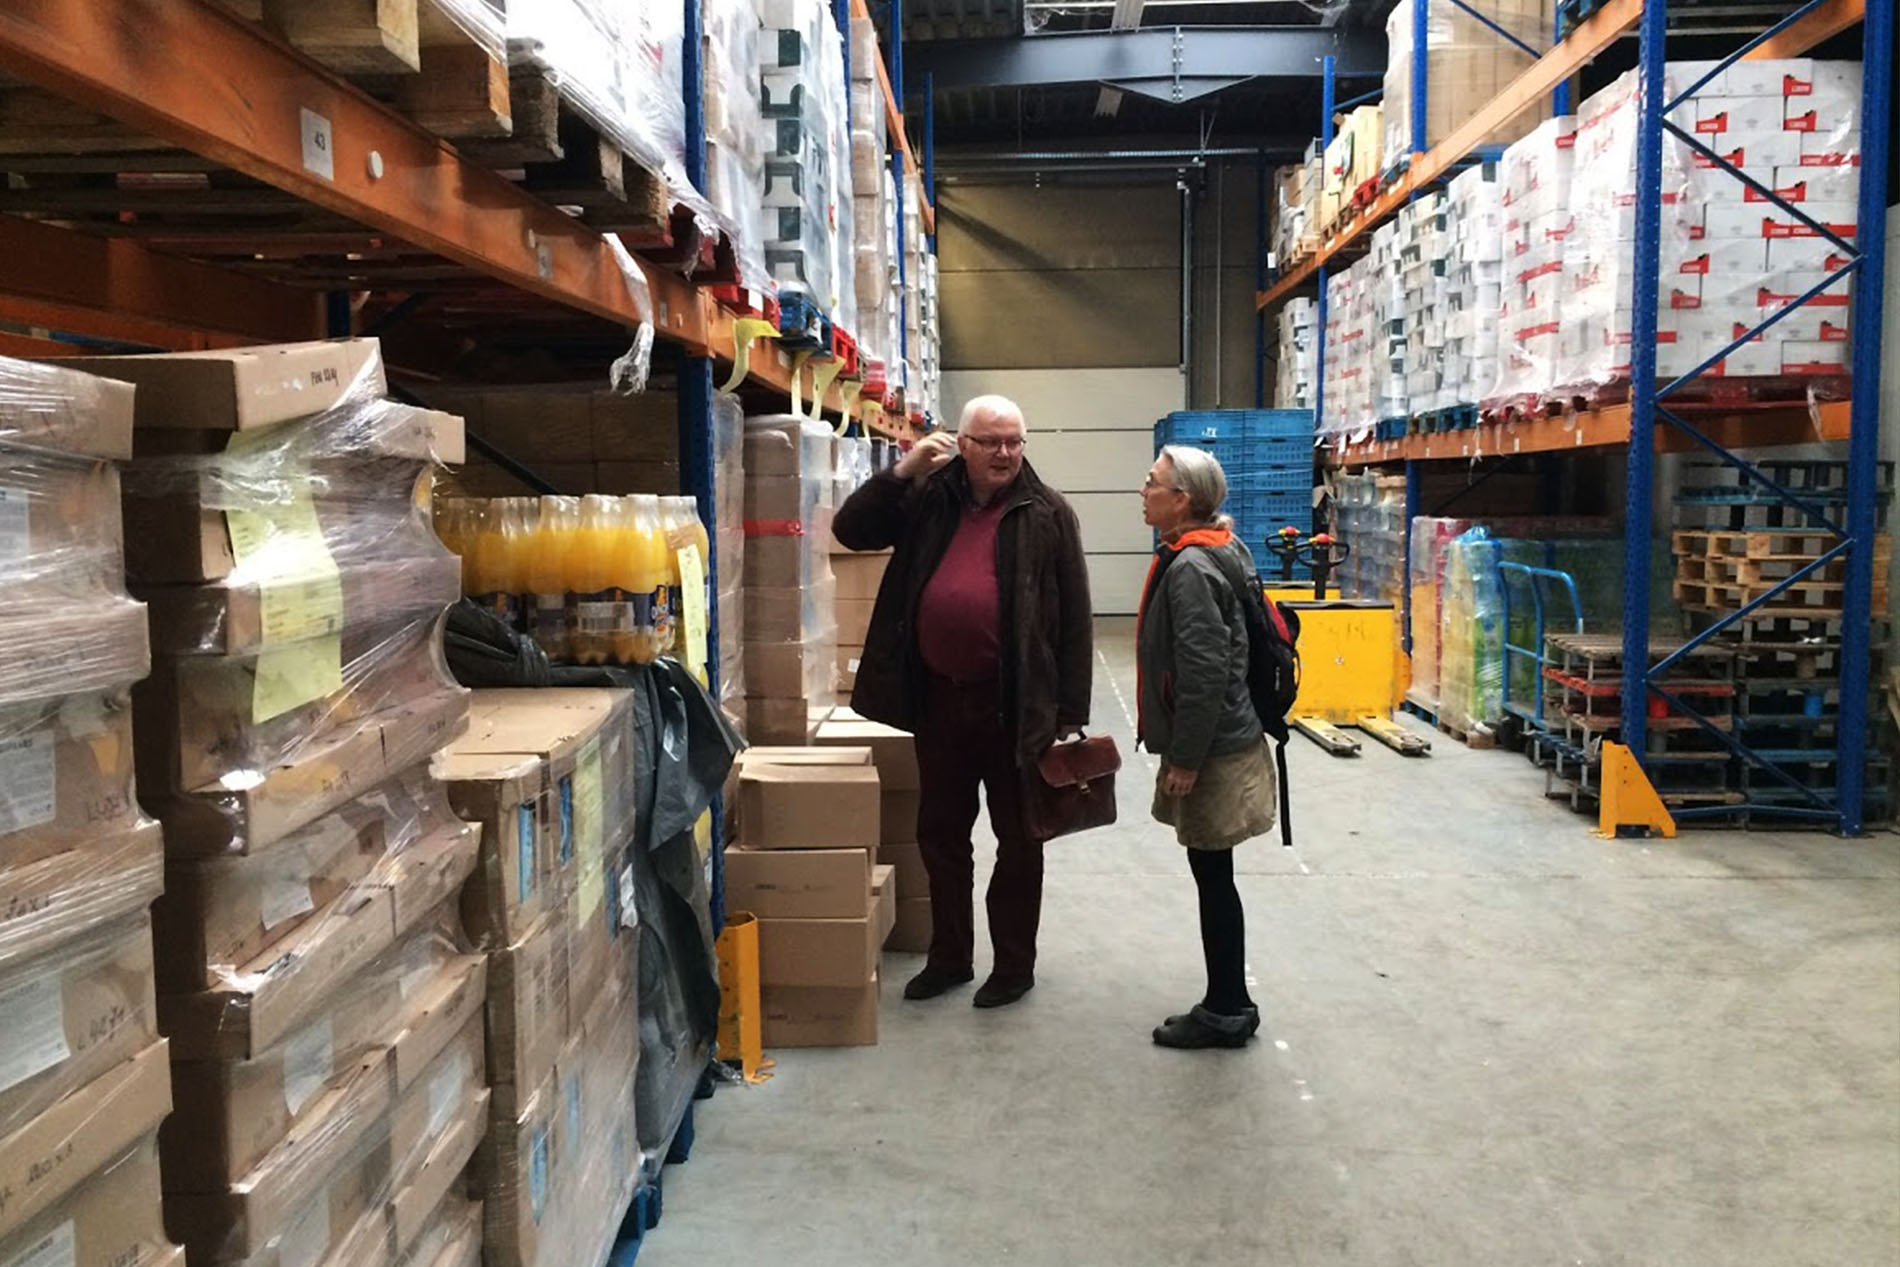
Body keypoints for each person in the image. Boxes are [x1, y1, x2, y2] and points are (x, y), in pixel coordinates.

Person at [833, 395, 1093, 1009]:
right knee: (942, 835)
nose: (1004, 454)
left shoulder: (1048, 512)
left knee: (1019, 838)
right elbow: (852, 531)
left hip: (1014, 706)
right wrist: (902, 471)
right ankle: (949, 957)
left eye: (1014, 442)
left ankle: (1013, 966)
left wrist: (1069, 713)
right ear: (963, 443)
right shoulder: (929, 496)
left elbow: (1076, 617)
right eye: (991, 442)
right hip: (940, 701)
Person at [1134, 445, 1274, 1049]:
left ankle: (1225, 1010)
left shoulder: (1192, 567)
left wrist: (1186, 758)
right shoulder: (1223, 546)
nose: (1142, 489)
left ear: (1181, 500)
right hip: (1229, 737)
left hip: (1214, 747)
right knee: (1213, 872)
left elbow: (1204, 671)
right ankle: (1230, 1001)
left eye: (1153, 482)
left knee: (1212, 874)